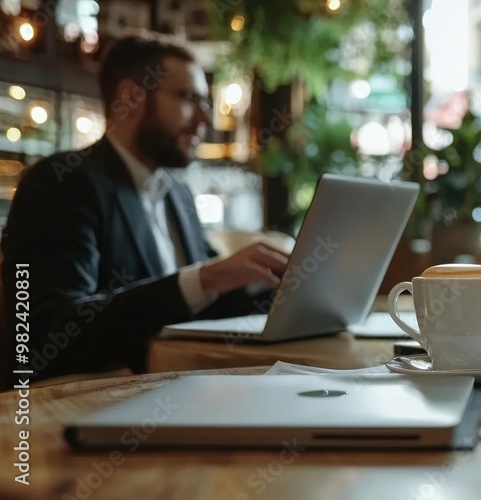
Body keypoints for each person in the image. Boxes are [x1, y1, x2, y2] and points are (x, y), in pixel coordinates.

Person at [1, 35, 290, 388]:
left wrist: (277, 287)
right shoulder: (61, 183)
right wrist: (205, 278)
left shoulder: (177, 193)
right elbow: (48, 332)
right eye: (187, 98)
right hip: (90, 401)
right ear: (130, 97)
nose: (204, 117)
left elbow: (196, 305)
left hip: (172, 389)